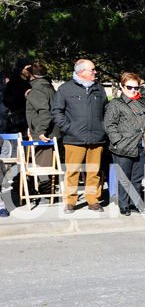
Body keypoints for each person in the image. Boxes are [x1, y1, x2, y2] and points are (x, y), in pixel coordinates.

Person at [51, 59, 108, 213]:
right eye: (93, 70)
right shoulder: (65, 89)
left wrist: (102, 128)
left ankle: (93, 200)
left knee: (93, 171)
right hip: (73, 139)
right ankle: (70, 201)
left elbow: (106, 111)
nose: (95, 72)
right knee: (72, 171)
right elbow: (56, 111)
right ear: (82, 72)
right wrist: (69, 128)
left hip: (96, 138)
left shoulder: (99, 89)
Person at [104, 72, 145, 216]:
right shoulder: (116, 104)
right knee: (124, 177)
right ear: (122, 87)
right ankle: (123, 204)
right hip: (123, 146)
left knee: (137, 177)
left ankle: (135, 202)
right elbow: (110, 124)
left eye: (136, 87)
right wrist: (118, 140)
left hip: (142, 145)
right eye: (129, 87)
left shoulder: (144, 103)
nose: (133, 90)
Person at [24, 64, 62, 202]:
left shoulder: (37, 90)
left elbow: (44, 111)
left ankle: (46, 192)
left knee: (43, 164)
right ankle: (47, 190)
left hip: (45, 133)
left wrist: (40, 130)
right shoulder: (48, 87)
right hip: (52, 131)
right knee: (48, 163)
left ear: (32, 76)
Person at [3, 57, 32, 135]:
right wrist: (23, 97)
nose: (30, 71)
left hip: (29, 118)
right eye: (28, 69)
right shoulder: (13, 83)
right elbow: (7, 101)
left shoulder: (30, 82)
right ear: (21, 69)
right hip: (17, 121)